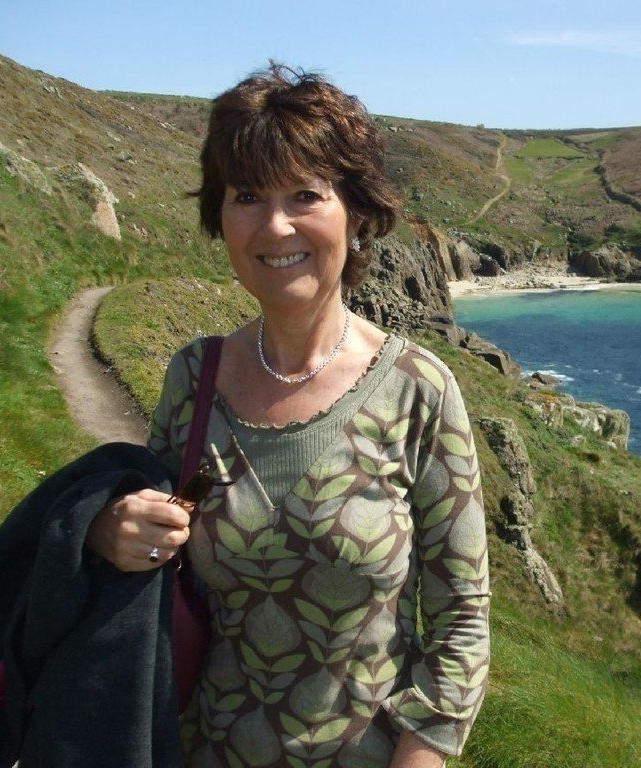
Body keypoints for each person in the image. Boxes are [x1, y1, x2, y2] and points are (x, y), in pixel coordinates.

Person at [87, 64, 490, 768]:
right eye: (248, 196)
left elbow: (462, 623)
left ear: (357, 213)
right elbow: (154, 565)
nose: (275, 226)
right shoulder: (192, 376)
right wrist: (109, 532)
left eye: (305, 194)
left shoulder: (418, 391)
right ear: (222, 216)